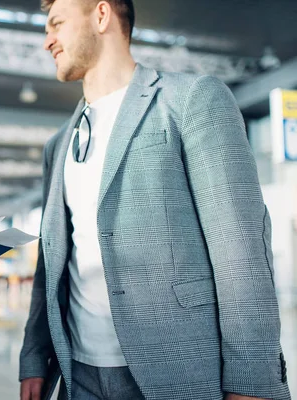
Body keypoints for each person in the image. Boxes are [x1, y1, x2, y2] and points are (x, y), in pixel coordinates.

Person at [19, 0, 290, 399]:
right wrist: (34, 356)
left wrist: (252, 383)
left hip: (177, 372)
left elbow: (241, 252)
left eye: (56, 24)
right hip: (78, 376)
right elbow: (53, 262)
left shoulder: (191, 101)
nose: (48, 41)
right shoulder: (59, 144)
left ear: (101, 14)